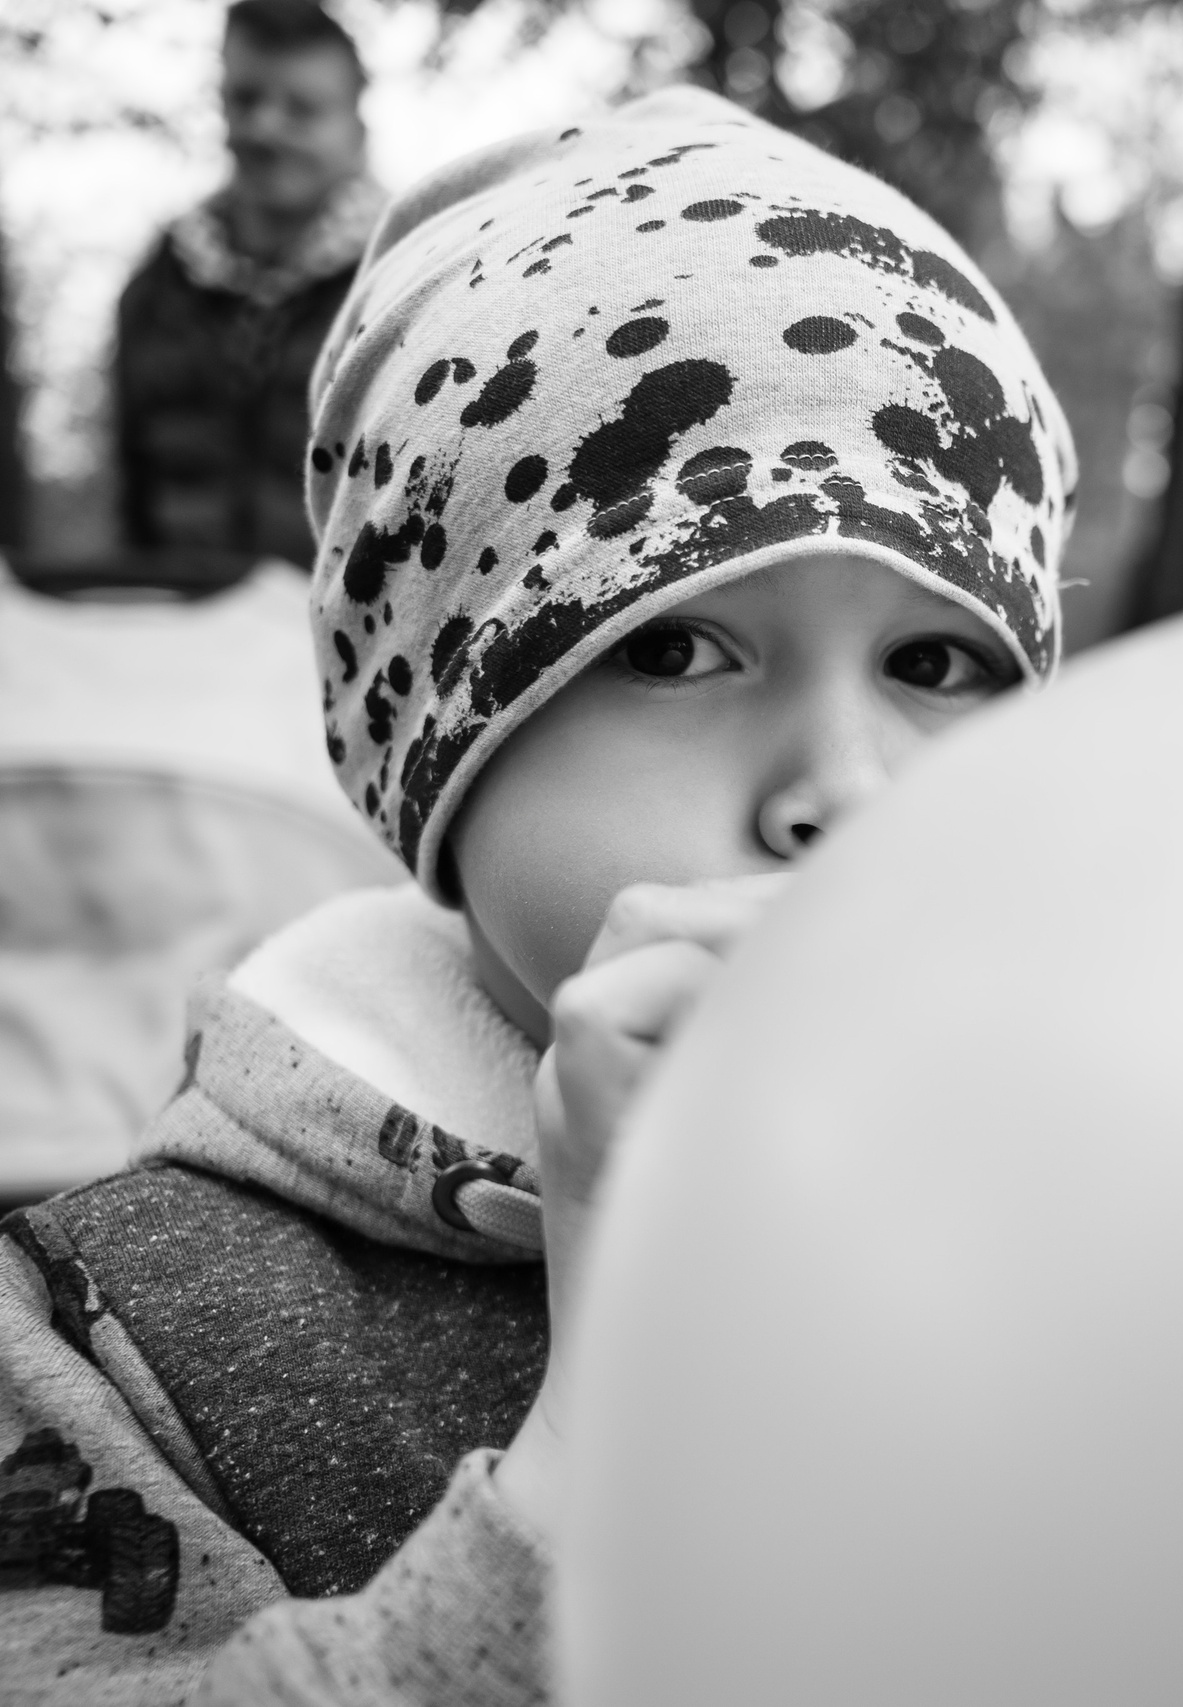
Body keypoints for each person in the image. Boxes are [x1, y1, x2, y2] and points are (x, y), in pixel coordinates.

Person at [0, 84, 1074, 1703]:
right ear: (436, 746)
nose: (846, 788)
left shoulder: (1112, 1204)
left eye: (937, 662)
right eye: (675, 646)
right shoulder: (115, 1328)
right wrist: (597, 1462)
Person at [114, 0, 382, 573]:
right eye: (245, 99)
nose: (263, 127)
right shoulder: (156, 284)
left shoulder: (406, 279)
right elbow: (132, 489)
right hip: (185, 630)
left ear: (357, 129)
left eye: (302, 109)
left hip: (344, 648)